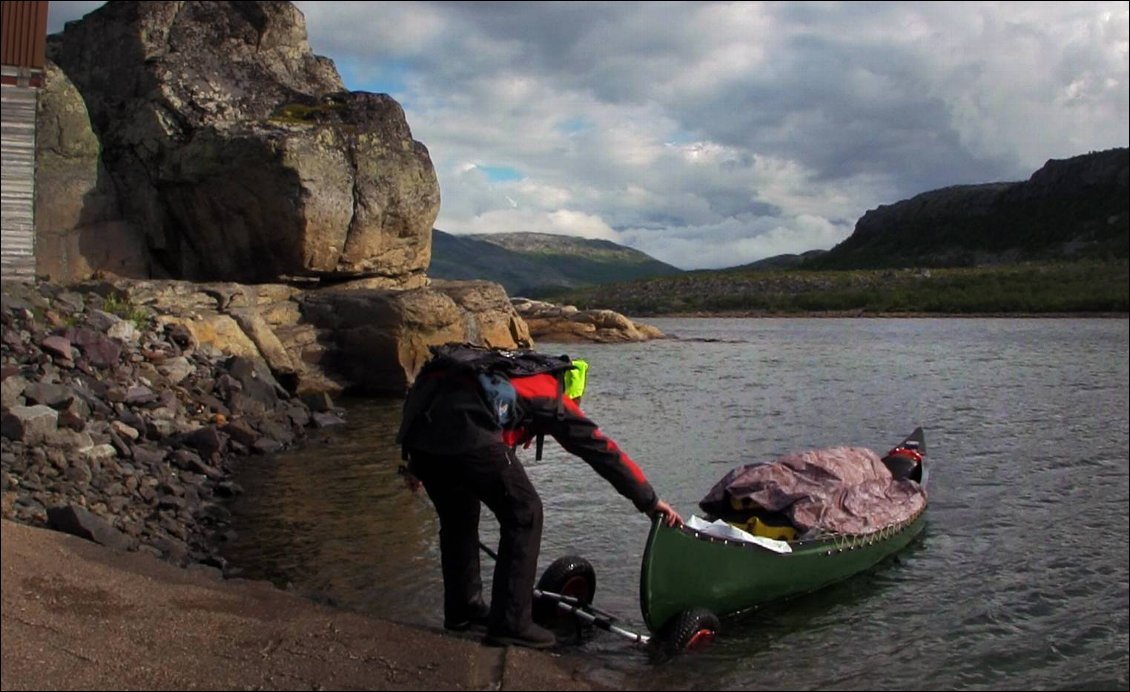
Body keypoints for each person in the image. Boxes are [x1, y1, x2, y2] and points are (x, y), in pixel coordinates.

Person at [396, 344, 683, 650]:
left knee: (459, 520)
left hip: (423, 440)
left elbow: (444, 400)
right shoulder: (548, 391)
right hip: (467, 438)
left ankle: (463, 611)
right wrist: (649, 501)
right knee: (525, 513)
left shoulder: (500, 372)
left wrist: (416, 462)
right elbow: (600, 450)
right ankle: (511, 624)